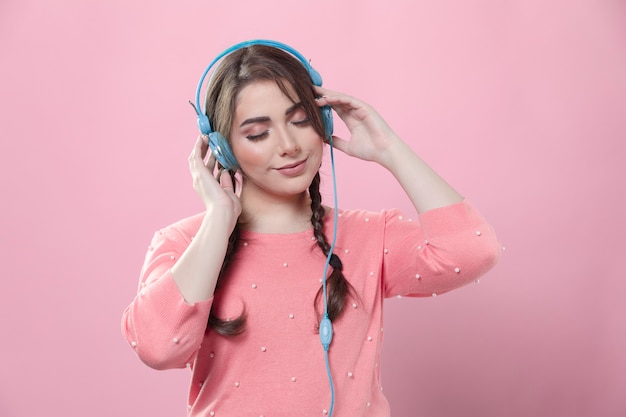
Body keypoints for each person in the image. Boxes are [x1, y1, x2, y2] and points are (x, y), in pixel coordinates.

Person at [121, 41, 501, 417]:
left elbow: (472, 250)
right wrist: (219, 218)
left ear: (323, 122)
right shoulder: (185, 244)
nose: (288, 145)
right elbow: (157, 348)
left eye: (301, 120)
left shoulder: (371, 236)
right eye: (258, 133)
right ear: (223, 149)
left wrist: (389, 149)